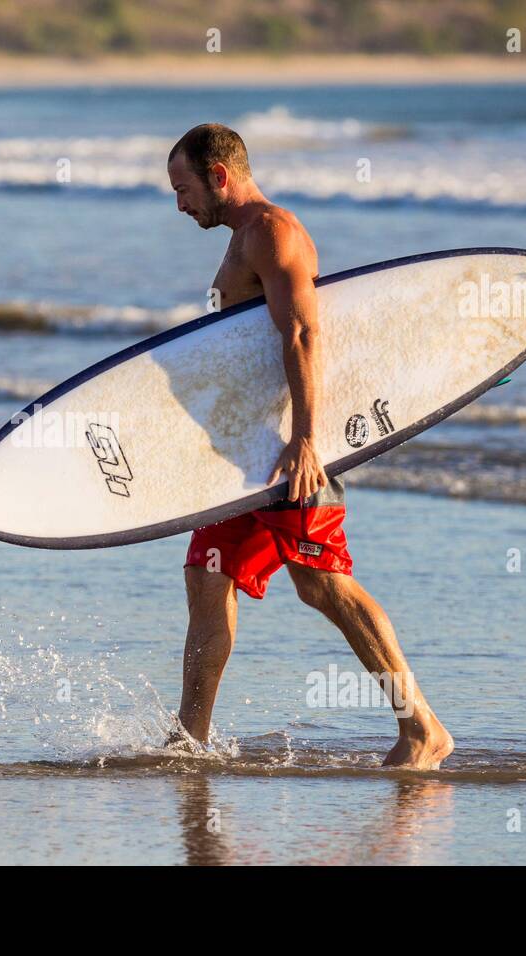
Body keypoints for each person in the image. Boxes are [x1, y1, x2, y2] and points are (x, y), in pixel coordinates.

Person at [166, 123, 453, 769]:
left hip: (286, 447)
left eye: (183, 188)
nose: (180, 204)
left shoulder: (273, 232)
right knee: (206, 579)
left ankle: (423, 728)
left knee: (323, 584)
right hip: (243, 456)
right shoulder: (244, 239)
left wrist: (304, 441)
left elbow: (301, 334)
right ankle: (189, 743)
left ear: (219, 176)